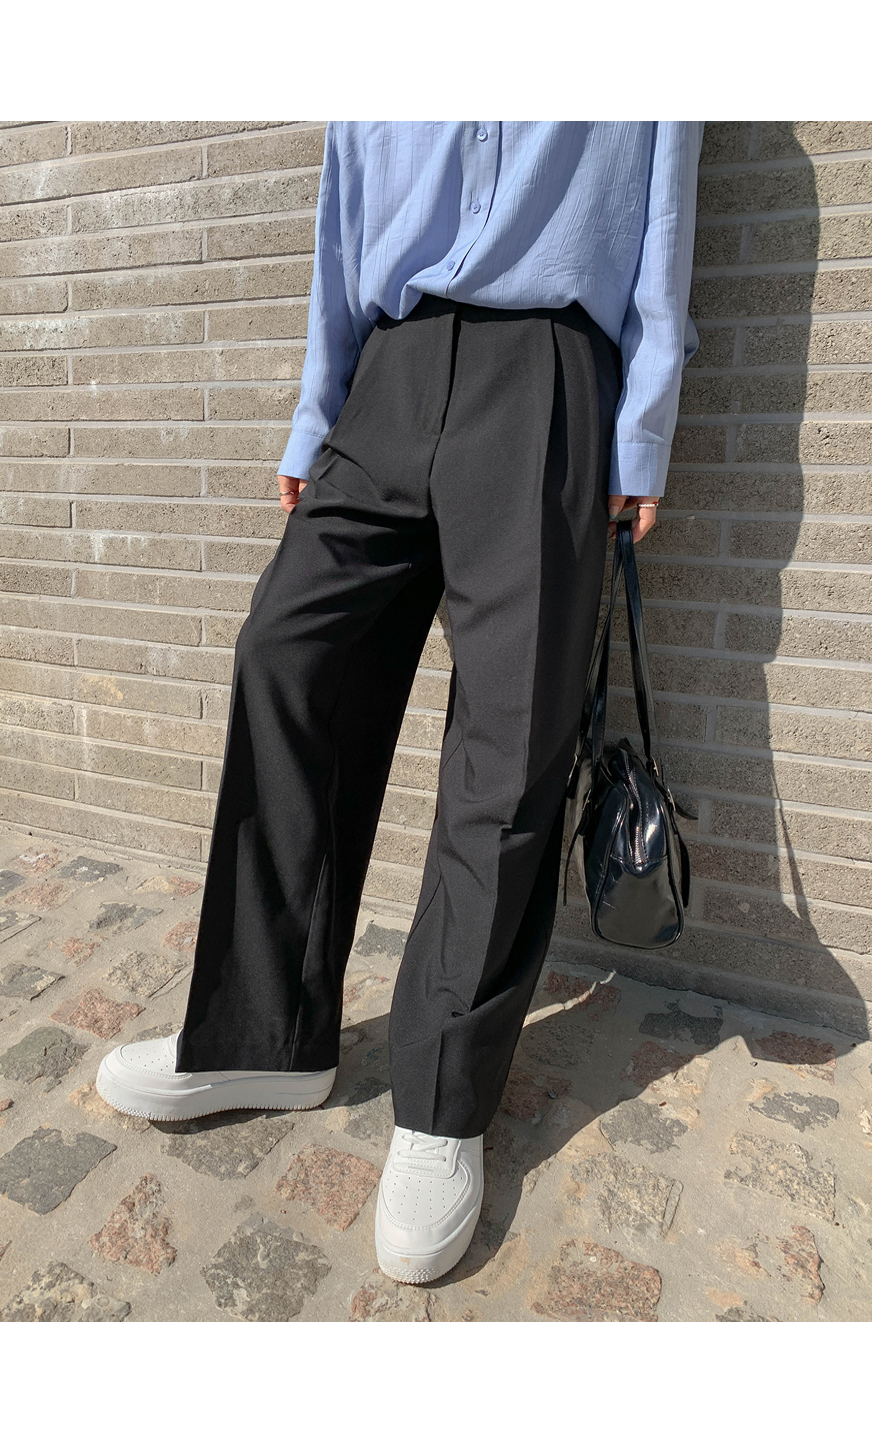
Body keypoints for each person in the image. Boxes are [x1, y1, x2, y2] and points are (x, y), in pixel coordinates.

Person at [97, 120, 704, 1285]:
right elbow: (345, 219)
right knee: (287, 658)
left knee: (510, 736)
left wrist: (643, 428)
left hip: (549, 369)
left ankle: (441, 1101)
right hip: (390, 368)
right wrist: (317, 408)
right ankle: (266, 1037)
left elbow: (664, 211)